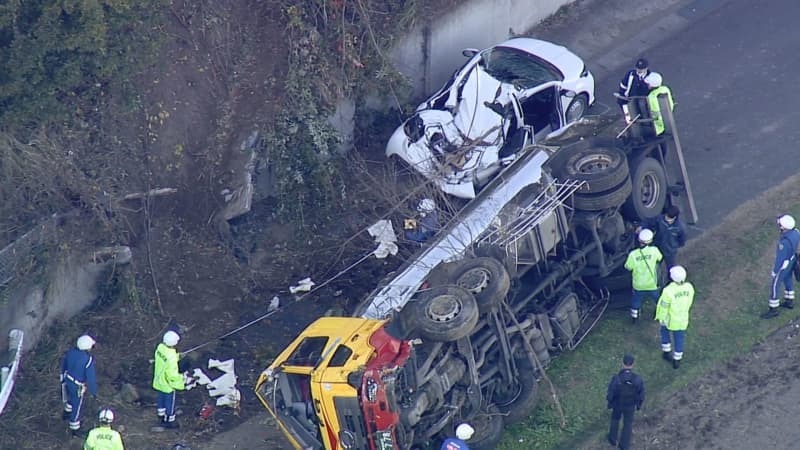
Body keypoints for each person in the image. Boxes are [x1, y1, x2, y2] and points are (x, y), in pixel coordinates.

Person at [655, 265, 695, 368]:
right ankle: (677, 359)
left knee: (664, 332)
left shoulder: (668, 291)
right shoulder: (689, 287)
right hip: (682, 318)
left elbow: (664, 306)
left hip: (669, 319)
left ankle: (666, 352)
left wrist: (661, 317)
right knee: (679, 338)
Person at [762, 214, 800, 318]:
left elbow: (780, 259)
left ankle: (773, 308)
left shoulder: (784, 243)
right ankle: (789, 301)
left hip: (784, 264)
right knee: (788, 280)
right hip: (792, 260)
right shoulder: (796, 232)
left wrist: (775, 271)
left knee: (775, 284)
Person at [61, 334, 98, 437]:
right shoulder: (87, 359)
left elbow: (64, 365)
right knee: (77, 405)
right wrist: (93, 392)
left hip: (68, 380)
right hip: (78, 385)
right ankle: (75, 427)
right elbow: (91, 378)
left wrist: (62, 378)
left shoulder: (70, 352)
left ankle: (66, 413)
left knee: (70, 398)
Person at [606, 354, 645, 450]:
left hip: (618, 404)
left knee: (615, 420)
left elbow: (611, 392)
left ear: (622, 363)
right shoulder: (637, 379)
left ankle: (612, 439)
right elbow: (641, 394)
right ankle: (624, 445)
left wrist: (610, 403)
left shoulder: (616, 378)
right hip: (630, 406)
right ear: (633, 365)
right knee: (628, 424)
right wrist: (638, 405)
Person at [624, 228, 663, 323]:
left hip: (638, 285)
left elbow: (628, 267)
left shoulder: (633, 254)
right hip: (652, 283)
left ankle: (635, 318)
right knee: (658, 300)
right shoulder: (654, 250)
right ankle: (660, 314)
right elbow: (660, 258)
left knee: (636, 302)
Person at [153, 330, 188, 428]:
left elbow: (165, 360)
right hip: (168, 384)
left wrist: (177, 356)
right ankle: (169, 420)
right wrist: (182, 380)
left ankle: (160, 415)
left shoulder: (160, 348)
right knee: (170, 402)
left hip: (159, 380)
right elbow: (172, 375)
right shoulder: (171, 357)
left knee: (161, 399)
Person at [642, 205, 687, 269]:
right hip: (658, 247)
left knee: (671, 268)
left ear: (675, 217)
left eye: (669, 218)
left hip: (670, 251)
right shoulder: (660, 219)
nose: (666, 219)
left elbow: (682, 240)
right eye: (666, 216)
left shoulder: (680, 228)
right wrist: (642, 226)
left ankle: (671, 278)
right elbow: (649, 222)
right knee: (655, 266)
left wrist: (674, 246)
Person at [617, 58, 651, 123]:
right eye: (638, 68)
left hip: (640, 102)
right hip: (627, 100)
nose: (639, 70)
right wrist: (622, 96)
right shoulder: (630, 74)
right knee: (628, 118)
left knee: (639, 116)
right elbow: (623, 85)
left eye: (641, 69)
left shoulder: (649, 78)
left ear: (646, 68)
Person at [644, 72, 674, 136]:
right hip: (668, 119)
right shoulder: (665, 89)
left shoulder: (651, 97)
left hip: (657, 128)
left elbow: (655, 115)